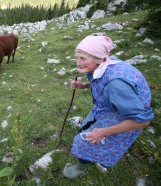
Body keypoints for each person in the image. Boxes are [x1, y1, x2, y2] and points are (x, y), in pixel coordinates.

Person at [62, 35, 154, 179]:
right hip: (114, 104)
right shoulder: (106, 64)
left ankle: (80, 168)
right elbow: (101, 82)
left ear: (98, 58)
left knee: (86, 140)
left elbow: (142, 121)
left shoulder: (116, 86)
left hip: (126, 114)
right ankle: (89, 155)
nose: (77, 62)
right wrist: (84, 85)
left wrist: (104, 132)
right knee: (88, 126)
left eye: (83, 58)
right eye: (77, 57)